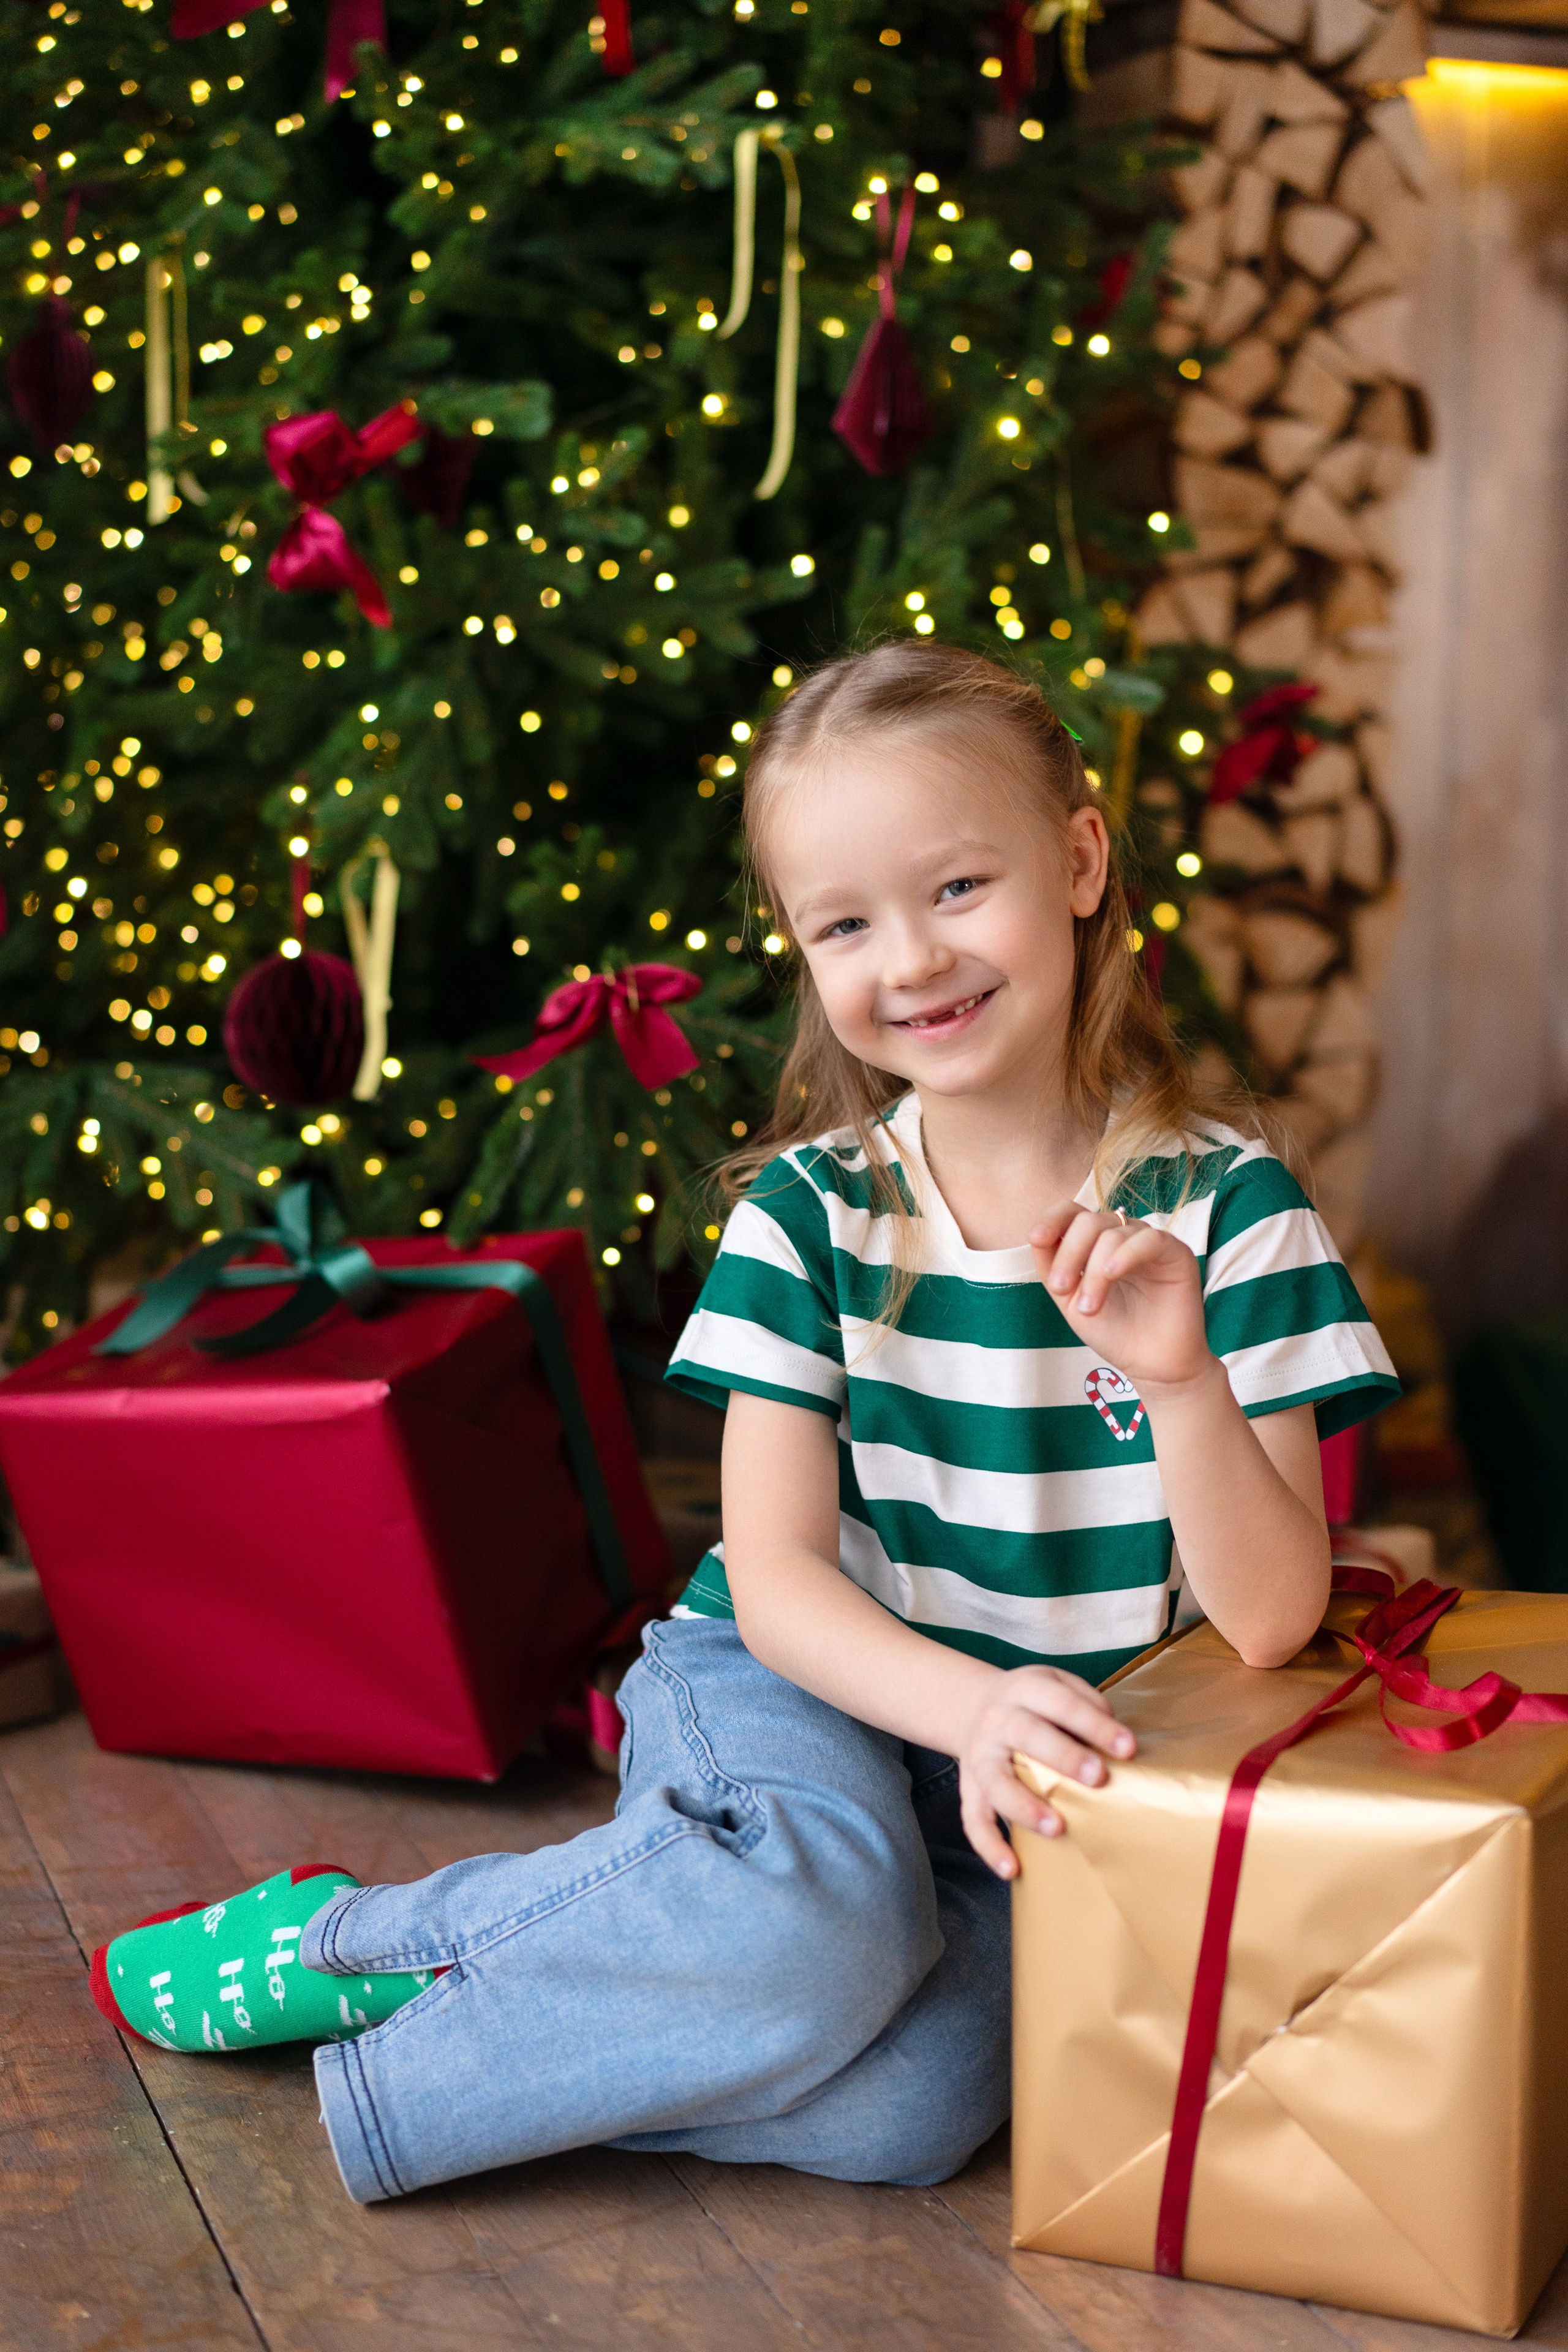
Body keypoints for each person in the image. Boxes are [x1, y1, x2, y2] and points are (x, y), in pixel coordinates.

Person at [90, 641, 1398, 2202]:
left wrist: (1181, 1383)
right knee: (823, 1919)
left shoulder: (1228, 1210)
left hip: (1022, 1770)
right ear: (798, 948)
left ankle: (527, 1985)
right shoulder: (811, 1216)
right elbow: (774, 1581)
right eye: (841, 923)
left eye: (957, 888)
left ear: (1077, 858)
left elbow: (1269, 1622)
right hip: (800, 1682)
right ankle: (362, 1941)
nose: (908, 960)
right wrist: (963, 1708)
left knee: (907, 2116)